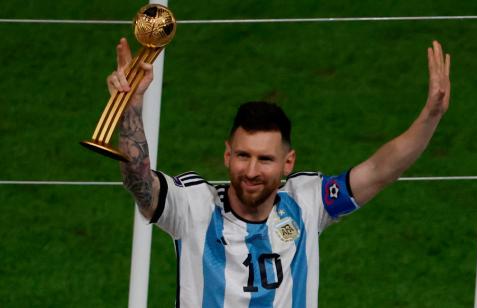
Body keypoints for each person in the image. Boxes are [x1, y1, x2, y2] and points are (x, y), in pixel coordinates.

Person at [108, 37, 450, 307]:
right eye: (243, 155)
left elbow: (379, 170)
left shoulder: (306, 202)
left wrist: (431, 115)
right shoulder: (193, 206)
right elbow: (138, 182)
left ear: (288, 163)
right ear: (227, 154)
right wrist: (131, 107)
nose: (251, 170)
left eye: (265, 159)